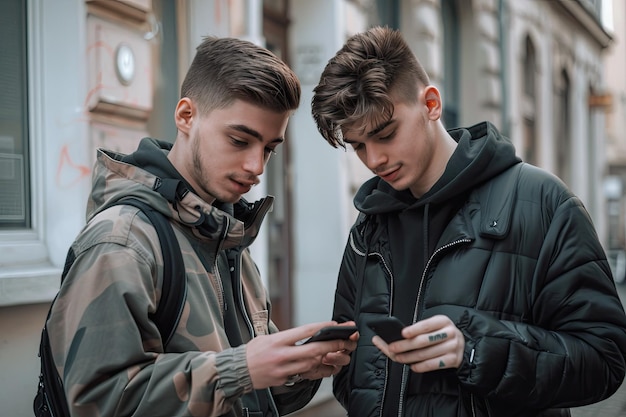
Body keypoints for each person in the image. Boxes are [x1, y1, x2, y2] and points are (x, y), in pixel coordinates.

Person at [311, 26, 626, 416]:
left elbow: (604, 361)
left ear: (431, 105)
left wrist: (476, 347)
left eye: (386, 134)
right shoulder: (368, 225)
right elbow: (355, 366)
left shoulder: (544, 203)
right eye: (358, 145)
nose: (373, 160)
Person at [46, 36, 357, 417]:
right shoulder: (123, 241)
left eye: (269, 149)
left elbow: (248, 393)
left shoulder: (226, 236)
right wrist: (241, 370)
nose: (256, 166)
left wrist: (297, 370)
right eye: (240, 140)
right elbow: (100, 402)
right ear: (186, 116)